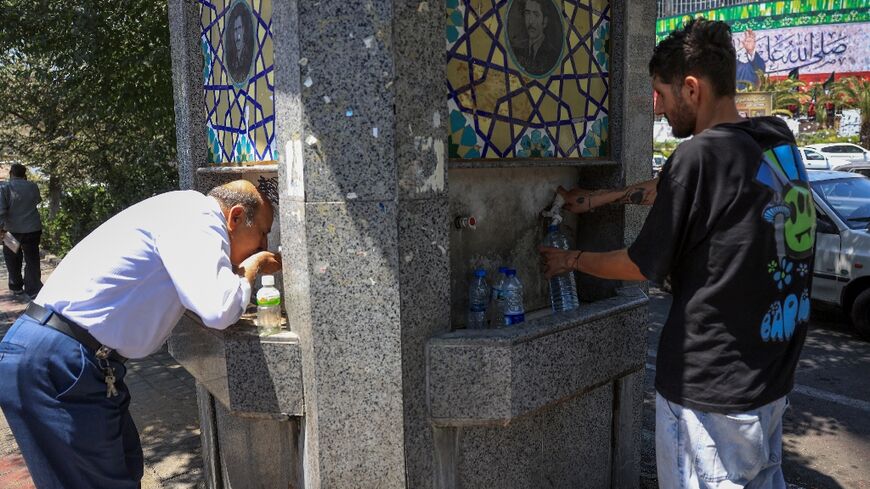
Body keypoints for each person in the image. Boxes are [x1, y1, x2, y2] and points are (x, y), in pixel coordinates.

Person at [541, 19, 814, 488]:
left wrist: (569, 260)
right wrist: (596, 200)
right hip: (769, 380)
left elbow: (639, 264)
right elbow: (673, 193)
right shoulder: (774, 143)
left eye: (661, 95)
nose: (658, 108)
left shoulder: (697, 157)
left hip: (711, 393)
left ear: (692, 88)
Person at [0, 180, 281, 488]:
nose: (264, 246)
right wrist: (251, 267)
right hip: (57, 360)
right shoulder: (197, 217)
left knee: (123, 469)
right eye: (263, 233)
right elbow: (219, 310)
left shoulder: (181, 211)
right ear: (236, 217)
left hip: (68, 357)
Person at [0, 163, 43, 299]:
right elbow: (37, 201)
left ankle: (16, 286)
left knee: (12, 258)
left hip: (12, 230)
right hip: (32, 229)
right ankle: (33, 288)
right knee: (32, 258)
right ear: (24, 174)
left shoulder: (5, 187)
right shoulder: (33, 186)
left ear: (11, 173)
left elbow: (1, 210)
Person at [511, 0, 561, 76]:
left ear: (544, 21)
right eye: (527, 13)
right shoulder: (516, 48)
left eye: (536, 15)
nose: (531, 21)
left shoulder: (552, 54)